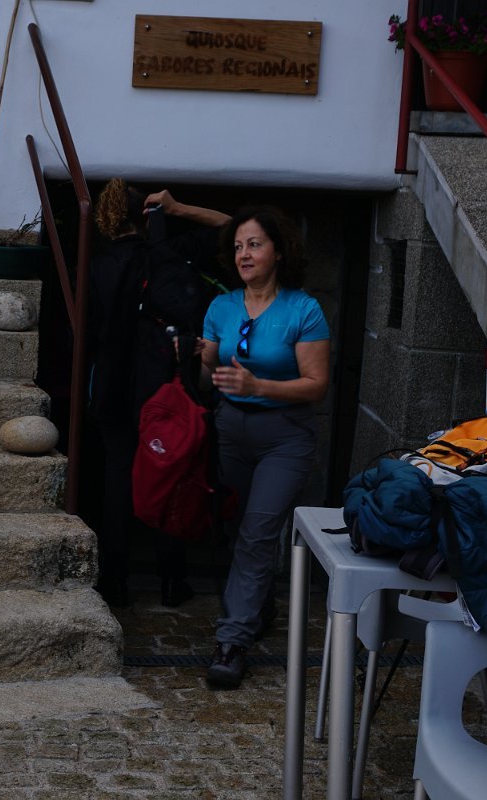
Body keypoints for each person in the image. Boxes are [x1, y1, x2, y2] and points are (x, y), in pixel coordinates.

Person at [197, 205, 331, 688]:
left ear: (279, 251)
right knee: (237, 527)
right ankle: (259, 605)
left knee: (257, 532)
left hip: (286, 437)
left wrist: (260, 387)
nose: (244, 254)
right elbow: (208, 377)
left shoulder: (304, 310)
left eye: (254, 244)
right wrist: (198, 360)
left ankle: (232, 642)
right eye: (238, 246)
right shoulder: (222, 307)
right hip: (230, 429)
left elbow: (316, 386)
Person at [87, 179, 228, 608]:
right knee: (169, 471)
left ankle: (115, 581)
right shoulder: (167, 253)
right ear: (144, 217)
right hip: (159, 385)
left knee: (117, 478)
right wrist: (178, 208)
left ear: (106, 222)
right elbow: (235, 228)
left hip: (109, 383)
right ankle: (172, 580)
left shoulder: (94, 266)